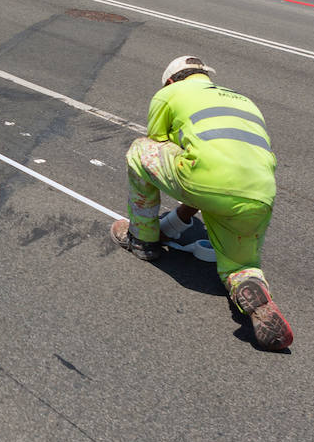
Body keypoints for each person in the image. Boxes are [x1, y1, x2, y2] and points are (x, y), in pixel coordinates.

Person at [110, 55, 294, 351]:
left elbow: (158, 142)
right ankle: (254, 296)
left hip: (205, 180)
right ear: (205, 76)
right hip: (259, 193)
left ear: (171, 80)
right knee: (241, 264)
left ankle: (142, 239)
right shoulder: (244, 101)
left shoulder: (169, 94)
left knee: (140, 151)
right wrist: (178, 219)